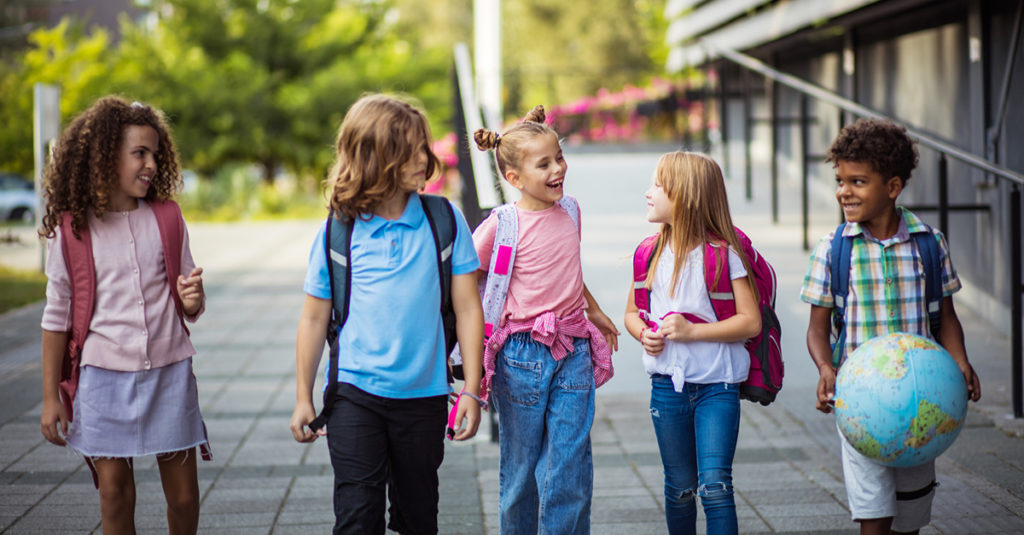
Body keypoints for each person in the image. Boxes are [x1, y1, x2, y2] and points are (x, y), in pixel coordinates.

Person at [288, 94, 484, 535]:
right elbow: (314, 319)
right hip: (355, 396)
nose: (425, 158)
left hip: (424, 398)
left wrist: (471, 389)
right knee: (357, 518)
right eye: (411, 149)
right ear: (376, 156)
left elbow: (469, 309)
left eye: (424, 146)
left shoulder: (445, 221)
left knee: (418, 518)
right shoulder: (338, 229)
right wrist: (304, 396)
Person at [800, 118, 982, 535]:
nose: (844, 191)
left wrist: (961, 360)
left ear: (893, 187)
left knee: (911, 518)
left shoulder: (928, 243)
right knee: (873, 514)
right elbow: (816, 328)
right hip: (861, 403)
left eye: (858, 181)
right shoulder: (833, 250)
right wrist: (826, 368)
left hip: (921, 403)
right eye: (840, 180)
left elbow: (946, 316)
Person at [38, 96, 209, 534]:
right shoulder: (73, 227)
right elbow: (56, 315)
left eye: (156, 153)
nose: (151, 163)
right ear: (106, 156)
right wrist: (49, 398)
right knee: (114, 494)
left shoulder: (167, 217)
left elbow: (189, 300)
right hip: (103, 377)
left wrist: (191, 299)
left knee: (186, 496)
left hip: (169, 372)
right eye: (139, 153)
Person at [472, 105, 619, 535]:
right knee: (520, 470)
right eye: (545, 163)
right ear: (514, 179)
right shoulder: (502, 225)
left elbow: (568, 270)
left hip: (573, 348)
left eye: (559, 157)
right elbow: (463, 276)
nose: (558, 168)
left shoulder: (571, 210)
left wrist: (595, 310)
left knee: (569, 464)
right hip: (520, 356)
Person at [622, 151, 761, 535]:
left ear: (685, 195)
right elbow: (632, 314)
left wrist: (691, 332)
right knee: (680, 488)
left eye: (657, 185)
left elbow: (750, 321)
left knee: (715, 485)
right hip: (667, 387)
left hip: (717, 386)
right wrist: (644, 335)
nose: (648, 193)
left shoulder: (723, 254)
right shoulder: (648, 254)